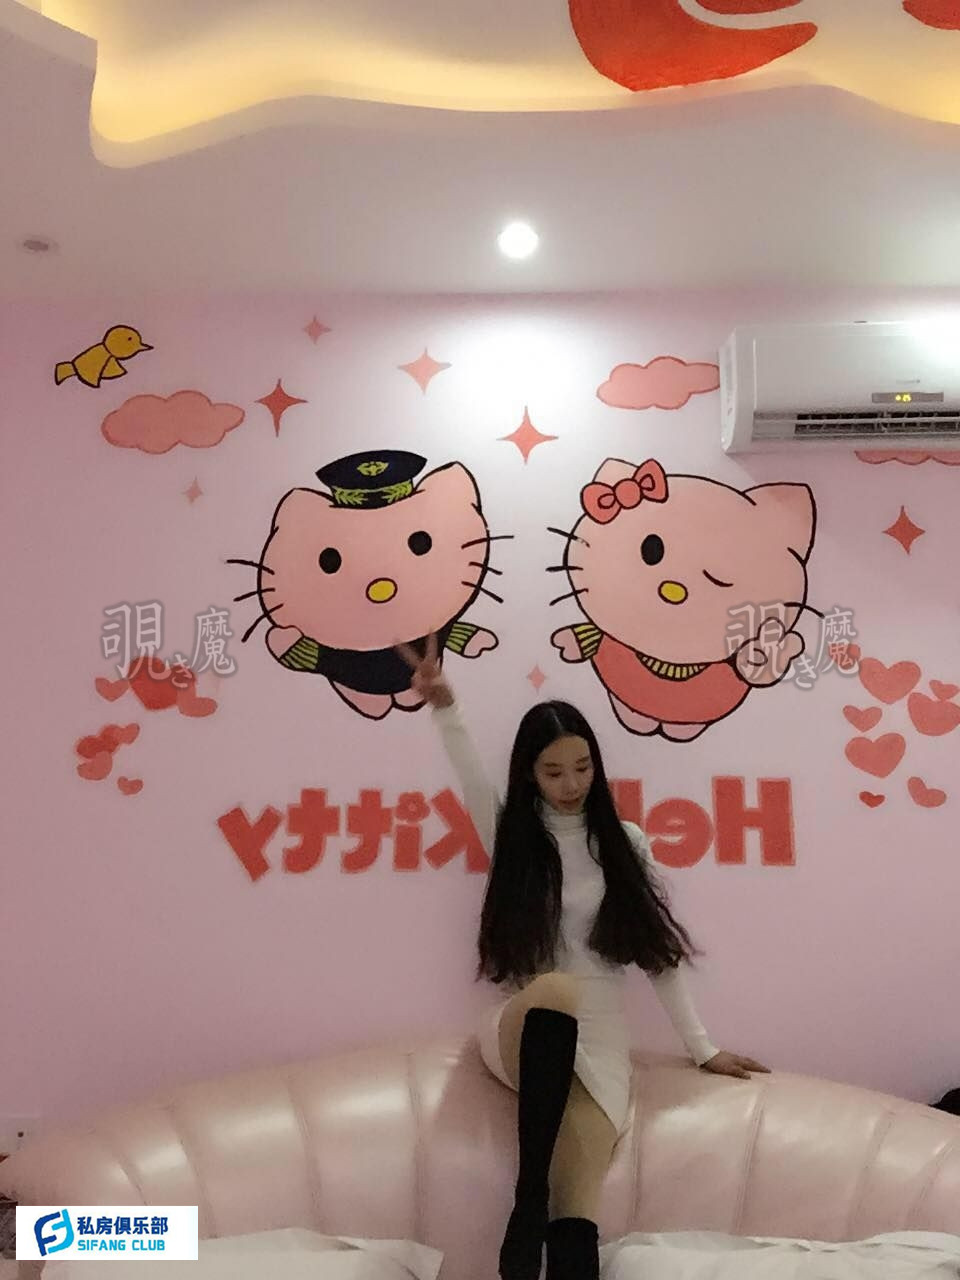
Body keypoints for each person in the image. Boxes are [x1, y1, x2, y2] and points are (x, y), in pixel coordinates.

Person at [398, 637, 769, 1280]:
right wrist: (445, 706)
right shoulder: (513, 836)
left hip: (600, 1037)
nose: (571, 784)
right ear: (529, 774)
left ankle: (549, 1229)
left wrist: (703, 1048)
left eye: (582, 767)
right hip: (525, 1023)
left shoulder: (625, 843)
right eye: (553, 772)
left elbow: (657, 956)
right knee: (557, 992)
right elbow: (468, 770)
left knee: (578, 1205)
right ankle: (527, 1201)